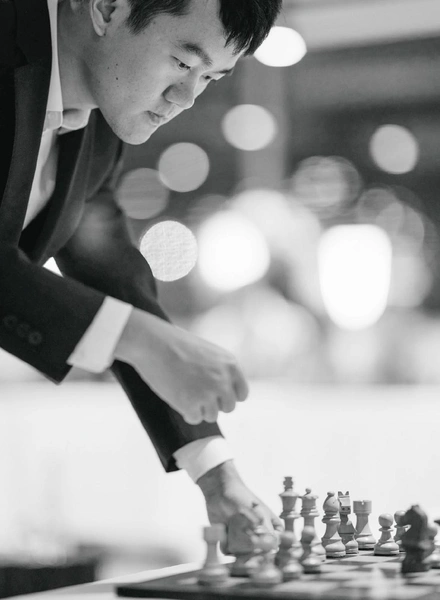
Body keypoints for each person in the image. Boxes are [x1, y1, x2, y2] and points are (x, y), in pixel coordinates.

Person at [0, 0, 283, 539]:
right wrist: (136, 339)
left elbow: (110, 270)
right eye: (182, 62)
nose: (187, 99)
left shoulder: (103, 106)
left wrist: (216, 474)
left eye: (211, 77)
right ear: (107, 8)